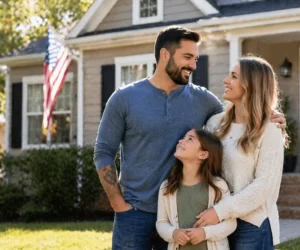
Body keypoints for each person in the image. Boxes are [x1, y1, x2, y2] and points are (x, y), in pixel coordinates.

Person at [94, 25, 286, 250]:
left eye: (196, 58)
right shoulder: (124, 99)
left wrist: (272, 118)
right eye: (187, 57)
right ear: (165, 55)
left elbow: (242, 116)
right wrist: (118, 204)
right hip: (136, 213)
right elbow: (103, 151)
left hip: (187, 212)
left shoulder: (203, 100)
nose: (193, 65)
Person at [194, 55, 285, 250]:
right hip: (217, 222)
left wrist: (220, 211)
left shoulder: (270, 130)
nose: (226, 80)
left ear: (252, 85)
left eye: (234, 76)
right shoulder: (214, 124)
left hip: (252, 223)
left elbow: (263, 187)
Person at [156, 128, 236, 250]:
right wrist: (173, 233)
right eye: (184, 138)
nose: (180, 141)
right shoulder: (167, 187)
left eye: (190, 139)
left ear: (203, 154)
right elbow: (161, 223)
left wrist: (205, 233)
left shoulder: (218, 186)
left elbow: (230, 224)